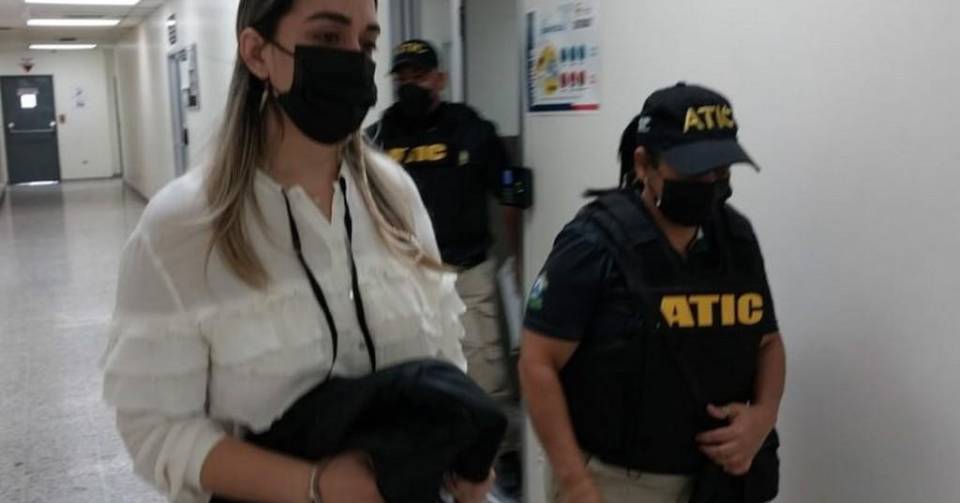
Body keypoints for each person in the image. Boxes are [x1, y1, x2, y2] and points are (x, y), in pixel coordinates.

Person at [101, 2, 494, 502]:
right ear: (257, 53)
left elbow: (443, 354)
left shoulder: (396, 196)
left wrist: (461, 448)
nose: (354, 59)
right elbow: (156, 431)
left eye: (367, 43)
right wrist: (316, 487)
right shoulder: (182, 229)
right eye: (328, 37)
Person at [519, 83, 786, 503]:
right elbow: (537, 363)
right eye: (694, 171)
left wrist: (763, 417)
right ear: (644, 165)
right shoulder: (592, 244)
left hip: (717, 482)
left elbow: (768, 342)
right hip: (617, 482)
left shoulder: (735, 239)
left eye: (720, 171)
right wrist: (575, 483)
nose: (710, 184)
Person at [366, 38, 523, 491]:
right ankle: (431, 461)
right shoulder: (377, 138)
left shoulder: (470, 130)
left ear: (440, 79)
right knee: (415, 370)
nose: (409, 85)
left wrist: (515, 257)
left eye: (418, 76)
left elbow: (509, 192)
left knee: (485, 374)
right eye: (402, 78)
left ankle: (494, 461)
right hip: (405, 279)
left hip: (467, 271)